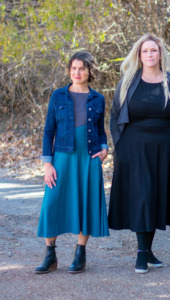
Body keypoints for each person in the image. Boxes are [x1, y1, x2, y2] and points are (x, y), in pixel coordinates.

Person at [109, 33, 170, 274]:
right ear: (139, 55)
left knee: (154, 199)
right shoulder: (128, 82)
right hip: (134, 149)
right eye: (145, 51)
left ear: (161, 53)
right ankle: (141, 253)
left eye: (154, 50)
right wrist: (120, 145)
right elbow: (114, 116)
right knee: (142, 196)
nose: (150, 54)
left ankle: (149, 250)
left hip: (165, 149)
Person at [35, 51, 109, 274]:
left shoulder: (98, 98)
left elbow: (100, 130)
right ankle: (50, 255)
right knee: (52, 203)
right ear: (69, 70)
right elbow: (49, 131)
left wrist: (105, 148)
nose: (77, 72)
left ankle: (80, 254)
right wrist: (48, 164)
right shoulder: (58, 96)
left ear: (89, 72)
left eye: (82, 68)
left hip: (87, 157)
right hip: (62, 158)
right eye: (74, 68)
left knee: (84, 203)